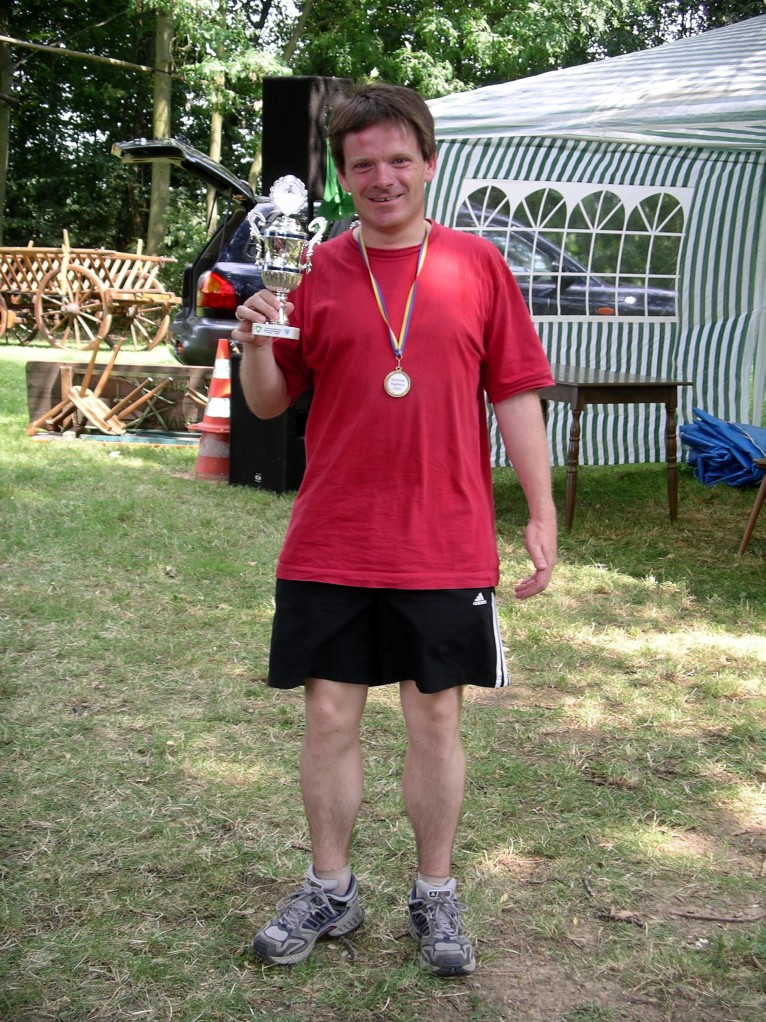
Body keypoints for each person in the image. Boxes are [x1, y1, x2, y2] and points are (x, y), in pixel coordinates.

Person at [231, 82, 557, 978]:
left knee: (435, 717)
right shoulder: (311, 269)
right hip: (332, 536)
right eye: (363, 164)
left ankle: (435, 892)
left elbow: (515, 393)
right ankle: (330, 888)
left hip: (443, 539)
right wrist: (254, 340)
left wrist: (540, 511)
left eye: (399, 160)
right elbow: (269, 402)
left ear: (429, 165)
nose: (383, 178)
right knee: (329, 714)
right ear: (343, 177)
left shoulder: (478, 265)